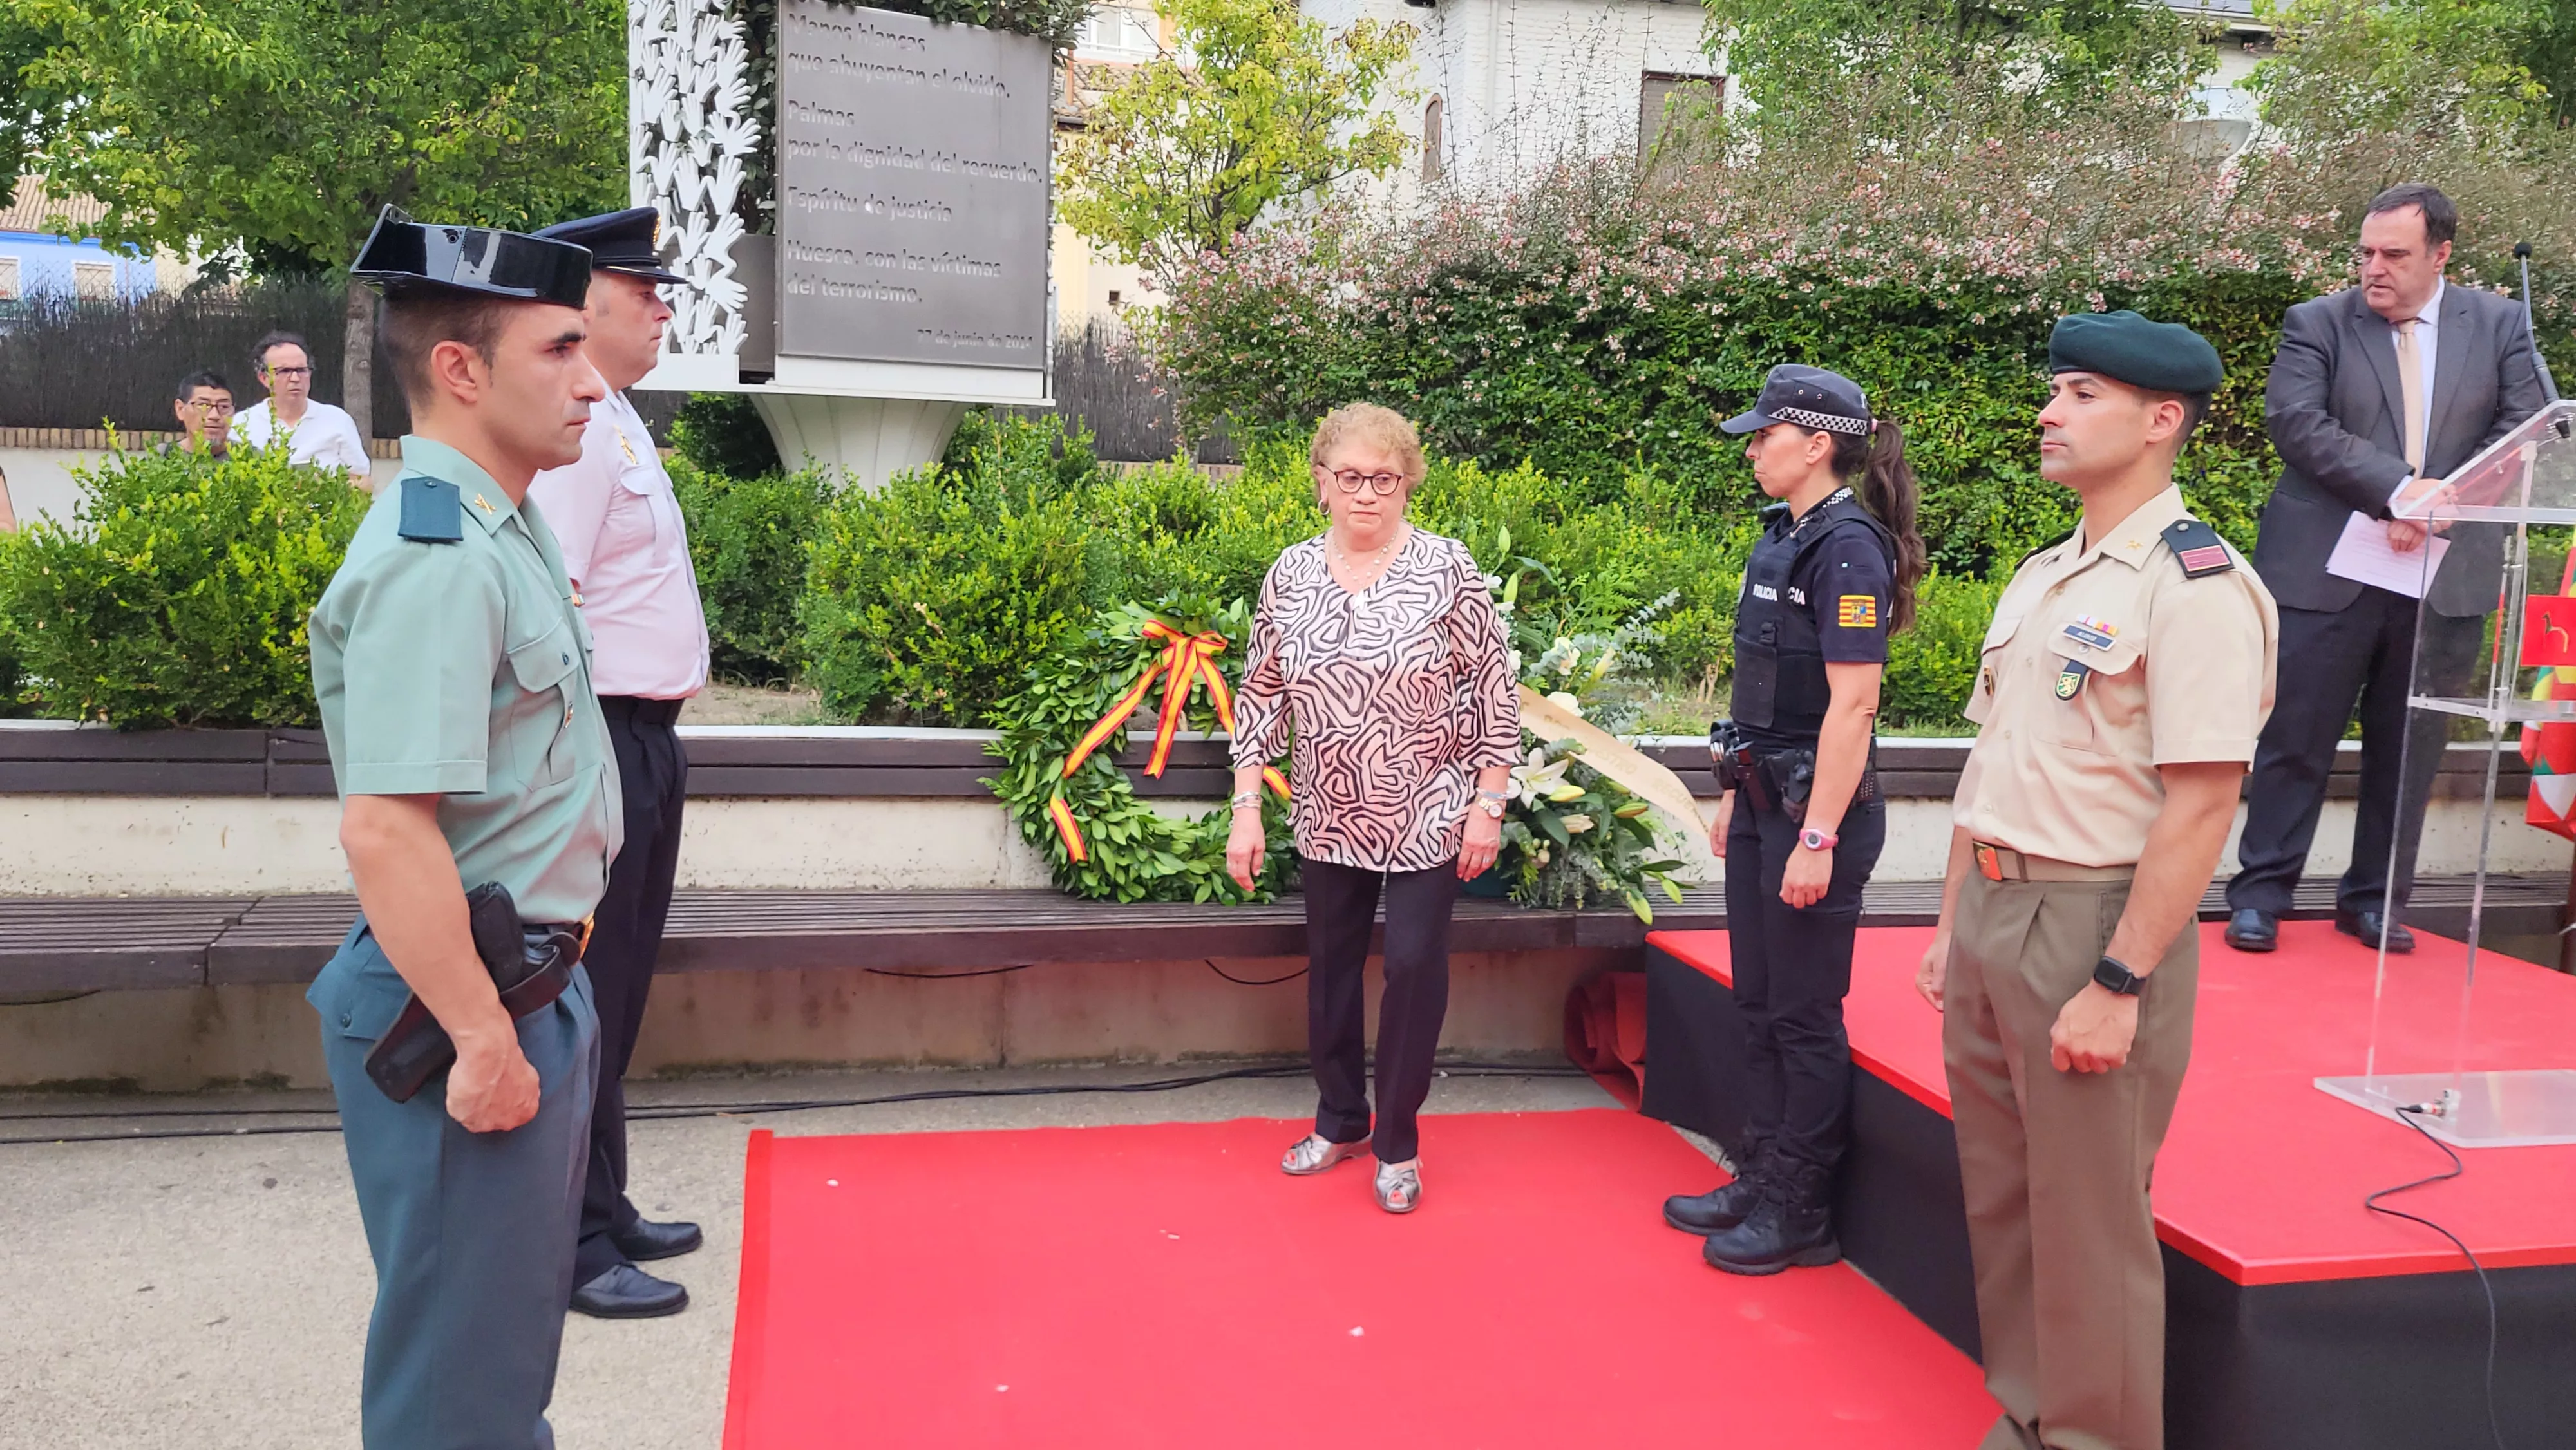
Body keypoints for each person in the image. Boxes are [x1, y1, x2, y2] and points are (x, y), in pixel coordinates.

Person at [1918, 311, 2278, 1450]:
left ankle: (2096, 1437)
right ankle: (2033, 1408)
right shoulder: (2047, 571)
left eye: (2079, 394)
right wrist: (1949, 927)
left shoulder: (2197, 586)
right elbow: (1991, 768)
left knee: (2088, 1212)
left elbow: (2203, 801)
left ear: (2160, 419)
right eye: (2056, 391)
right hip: (1992, 907)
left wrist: (2121, 977)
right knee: (2008, 1193)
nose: (2048, 413)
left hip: (2089, 921)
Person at [302, 208, 614, 1450]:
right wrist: (485, 1036)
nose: (591, 383)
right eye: (560, 351)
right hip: (461, 1001)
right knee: (460, 1388)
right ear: (460, 369)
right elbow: (384, 828)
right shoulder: (439, 552)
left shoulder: (505, 518)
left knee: (496, 1352)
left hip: (524, 977)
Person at [2224, 183, 2549, 956]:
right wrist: (2398, 493)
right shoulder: (2318, 323)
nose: (2374, 268)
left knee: (2411, 745)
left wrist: (2447, 502)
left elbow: (2526, 423)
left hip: (2443, 573)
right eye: (2366, 252)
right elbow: (2296, 421)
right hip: (2326, 569)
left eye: (2394, 255)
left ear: (2440, 255)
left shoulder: (2502, 324)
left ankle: (2374, 900)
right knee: (2294, 738)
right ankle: (2260, 895)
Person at [1224, 402, 1520, 1215]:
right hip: (1327, 807)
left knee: (1417, 968)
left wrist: (1488, 803)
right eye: (1349, 477)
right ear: (1321, 482)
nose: (1365, 493)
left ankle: (1397, 1138)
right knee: (1330, 971)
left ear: (1407, 483)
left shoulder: (1447, 567)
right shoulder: (1289, 573)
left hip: (1430, 805)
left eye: (1383, 479)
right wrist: (1246, 807)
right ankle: (1340, 1118)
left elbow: (1494, 689)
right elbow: (1261, 693)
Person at [1662, 365, 1925, 1274]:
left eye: (1764, 434)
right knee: (1760, 1005)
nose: (1751, 449)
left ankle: (1800, 1206)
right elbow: (1763, 687)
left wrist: (1817, 836)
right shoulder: (1784, 535)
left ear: (1816, 444)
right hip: (1764, 804)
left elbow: (1852, 710)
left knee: (1805, 1016)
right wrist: (1735, 792)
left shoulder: (1848, 547)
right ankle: (1761, 1173)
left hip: (1817, 819)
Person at [526, 206, 710, 1321]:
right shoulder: (580, 430)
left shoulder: (619, 416)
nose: (663, 306)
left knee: (621, 985)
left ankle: (608, 1198)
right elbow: (562, 605)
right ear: (586, 300)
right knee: (589, 990)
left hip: (646, 738)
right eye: (644, 290)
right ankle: (575, 1239)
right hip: (606, 735)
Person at [232, 330, 374, 479]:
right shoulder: (242, 424)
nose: (295, 378)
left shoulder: (337, 420)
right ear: (264, 378)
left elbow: (362, 480)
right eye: (285, 371)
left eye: (301, 370)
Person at [171, 371, 233, 457]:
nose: (215, 416)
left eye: (224, 406)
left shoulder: (252, 460)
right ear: (180, 409)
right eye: (203, 405)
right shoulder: (157, 461)